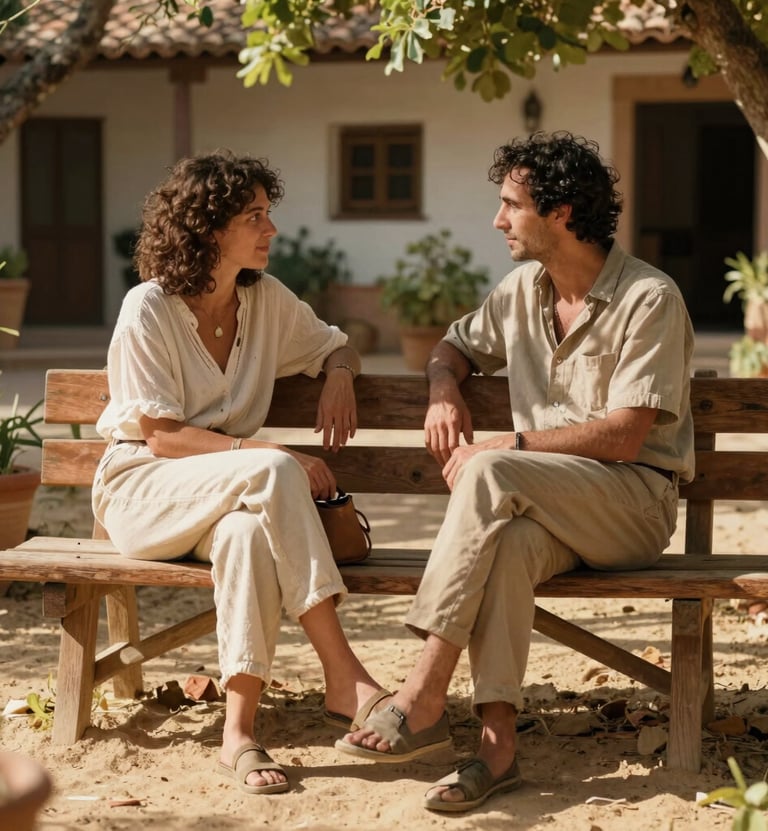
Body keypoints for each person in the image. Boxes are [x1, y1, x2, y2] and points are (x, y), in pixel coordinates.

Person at [336, 131, 695, 812]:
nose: (498, 220)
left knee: (492, 471)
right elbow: (451, 346)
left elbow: (624, 437)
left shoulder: (650, 298)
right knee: (504, 542)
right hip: (544, 511)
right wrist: (444, 390)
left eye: (511, 205)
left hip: (633, 504)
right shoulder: (521, 291)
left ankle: (421, 692)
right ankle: (496, 750)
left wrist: (512, 442)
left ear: (560, 213)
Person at [92, 151, 389, 796]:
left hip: (226, 498)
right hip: (142, 488)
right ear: (208, 228)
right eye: (254, 216)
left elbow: (340, 341)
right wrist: (271, 457)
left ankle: (240, 733)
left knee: (248, 538)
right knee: (274, 468)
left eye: (268, 214)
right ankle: (345, 674)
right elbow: (163, 436)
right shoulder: (148, 309)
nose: (271, 230)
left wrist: (339, 374)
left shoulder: (267, 301)